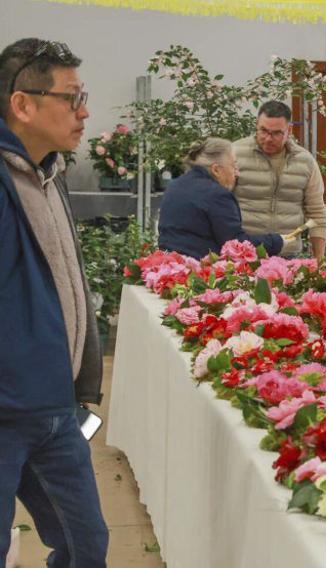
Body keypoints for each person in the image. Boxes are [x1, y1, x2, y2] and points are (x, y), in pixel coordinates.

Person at [0, 37, 109, 567]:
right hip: (7, 409)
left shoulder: (49, 173)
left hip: (55, 410)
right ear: (22, 103)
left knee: (85, 546)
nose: (84, 111)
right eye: (72, 97)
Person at [158, 137, 286, 259]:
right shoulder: (217, 195)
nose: (237, 173)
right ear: (216, 170)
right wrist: (276, 241)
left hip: (170, 268)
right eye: (233, 166)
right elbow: (234, 245)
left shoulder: (174, 186)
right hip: (200, 273)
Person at [233, 101, 326, 259]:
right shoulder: (234, 154)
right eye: (263, 130)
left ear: (289, 130)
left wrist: (319, 261)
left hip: (287, 255)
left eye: (276, 133)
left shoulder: (305, 161)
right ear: (257, 125)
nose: (268, 138)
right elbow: (218, 206)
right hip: (244, 255)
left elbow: (317, 214)